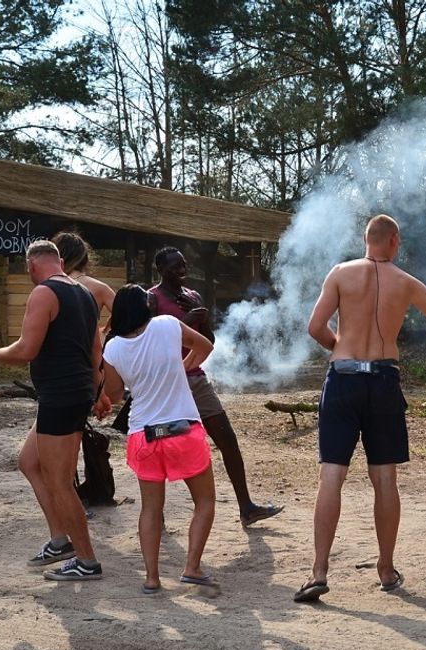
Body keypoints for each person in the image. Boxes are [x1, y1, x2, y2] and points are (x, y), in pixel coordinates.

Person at [294, 214, 426, 602]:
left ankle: (318, 571)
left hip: (342, 379)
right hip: (383, 381)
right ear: (393, 241)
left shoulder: (340, 273)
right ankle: (386, 569)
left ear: (366, 239)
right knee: (385, 479)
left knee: (331, 476)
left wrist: (340, 347)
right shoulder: (407, 282)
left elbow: (315, 327)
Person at [0, 240, 103, 581]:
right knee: (29, 462)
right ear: (60, 261)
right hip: (71, 394)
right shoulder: (82, 293)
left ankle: (87, 561)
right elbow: (96, 350)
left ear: (30, 266)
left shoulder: (43, 293)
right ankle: (59, 540)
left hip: (61, 397)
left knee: (59, 481)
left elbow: (25, 349)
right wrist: (97, 391)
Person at [95, 285, 218, 594]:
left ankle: (152, 578)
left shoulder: (113, 348)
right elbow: (205, 347)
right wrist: (183, 366)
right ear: (145, 307)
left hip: (144, 435)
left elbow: (114, 394)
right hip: (183, 430)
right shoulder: (167, 325)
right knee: (204, 500)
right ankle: (191, 567)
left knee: (151, 509)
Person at [147, 246, 283, 527]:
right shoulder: (151, 299)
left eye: (184, 265)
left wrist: (203, 320)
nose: (182, 271)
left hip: (195, 378)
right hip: (167, 384)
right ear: (160, 269)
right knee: (160, 442)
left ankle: (247, 507)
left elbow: (207, 340)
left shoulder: (192, 296)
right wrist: (186, 321)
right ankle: (155, 514)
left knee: (227, 439)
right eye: (175, 267)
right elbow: (150, 343)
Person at [51, 231, 115, 330]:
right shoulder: (100, 288)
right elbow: (125, 316)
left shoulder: (50, 287)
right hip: (88, 343)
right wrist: (104, 331)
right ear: (84, 257)